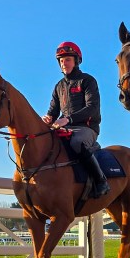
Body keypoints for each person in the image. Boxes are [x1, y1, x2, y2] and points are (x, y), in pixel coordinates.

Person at [42, 41, 110, 198]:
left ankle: (101, 181)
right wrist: (48, 118)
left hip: (87, 129)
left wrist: (68, 119)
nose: (63, 63)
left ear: (76, 60)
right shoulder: (58, 86)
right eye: (61, 60)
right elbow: (53, 112)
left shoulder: (88, 80)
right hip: (64, 128)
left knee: (76, 142)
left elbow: (92, 108)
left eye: (67, 60)